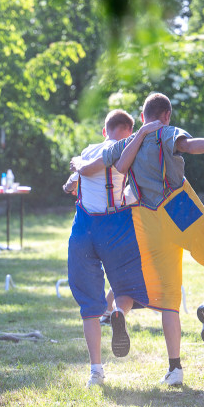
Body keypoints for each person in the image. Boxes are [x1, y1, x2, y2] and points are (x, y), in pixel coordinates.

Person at [73, 93, 204, 386]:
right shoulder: (165, 132)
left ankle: (172, 366)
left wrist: (75, 173)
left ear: (141, 117)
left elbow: (103, 167)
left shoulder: (126, 143)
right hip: (181, 207)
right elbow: (190, 146)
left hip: (148, 220)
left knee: (168, 299)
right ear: (165, 116)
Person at [64, 110, 138, 387]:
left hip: (83, 228)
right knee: (127, 287)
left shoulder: (88, 151)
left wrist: (72, 178)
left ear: (104, 130)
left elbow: (73, 182)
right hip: (114, 226)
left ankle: (96, 369)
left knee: (88, 304)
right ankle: (118, 312)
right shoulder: (130, 151)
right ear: (128, 132)